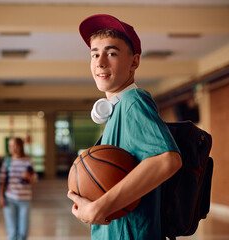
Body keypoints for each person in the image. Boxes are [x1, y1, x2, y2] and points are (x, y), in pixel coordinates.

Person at [67, 14, 182, 239]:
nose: (100, 62)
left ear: (134, 61)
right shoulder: (117, 110)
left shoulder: (133, 102)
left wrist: (99, 207)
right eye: (95, 54)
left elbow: (168, 159)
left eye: (111, 53)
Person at [0, 137, 37, 240]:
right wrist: (1, 196)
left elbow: (35, 179)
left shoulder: (28, 161)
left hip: (25, 200)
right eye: (9, 145)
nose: (11, 148)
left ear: (20, 146)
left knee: (23, 232)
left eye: (14, 145)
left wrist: (28, 177)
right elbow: (2, 180)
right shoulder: (7, 161)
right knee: (12, 232)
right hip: (9, 199)